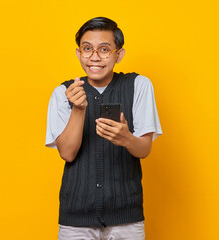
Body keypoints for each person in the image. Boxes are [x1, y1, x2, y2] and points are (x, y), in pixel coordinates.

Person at [45, 17, 162, 240]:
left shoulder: (138, 85)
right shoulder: (63, 93)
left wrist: (127, 138)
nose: (95, 57)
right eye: (87, 49)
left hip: (126, 216)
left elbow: (144, 149)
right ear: (79, 53)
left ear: (119, 55)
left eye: (105, 49)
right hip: (76, 218)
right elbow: (67, 153)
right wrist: (78, 109)